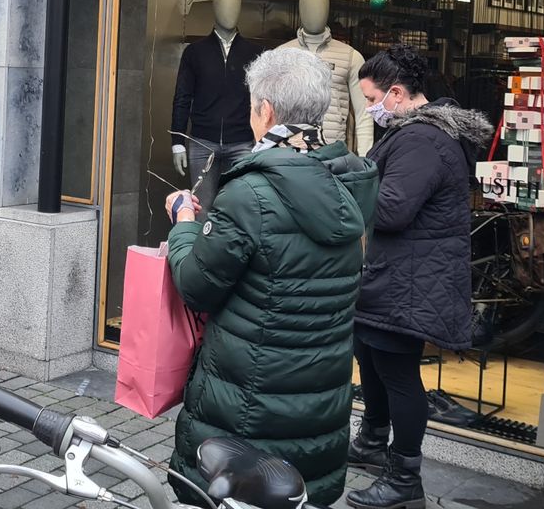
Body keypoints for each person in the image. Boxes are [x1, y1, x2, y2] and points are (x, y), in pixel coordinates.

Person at [163, 48, 379, 507]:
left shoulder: (250, 193)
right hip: (320, 406)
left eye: (252, 106)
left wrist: (183, 224)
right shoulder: (352, 184)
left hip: (247, 408)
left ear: (265, 111)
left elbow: (196, 286)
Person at [347, 44, 492, 509]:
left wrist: (343, 187)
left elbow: (390, 209)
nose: (370, 108)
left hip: (411, 281)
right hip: (395, 275)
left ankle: (405, 478)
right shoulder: (415, 132)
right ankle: (371, 443)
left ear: (397, 93)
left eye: (372, 99)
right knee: (371, 359)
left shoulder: (422, 139)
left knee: (397, 374)